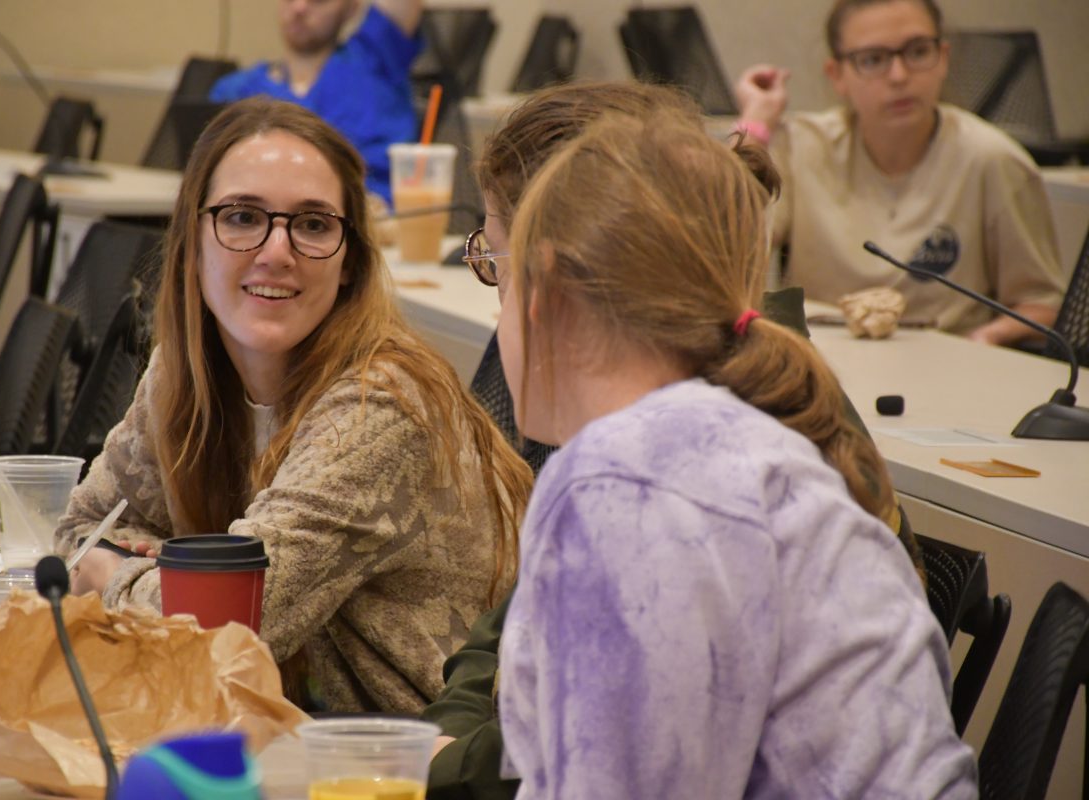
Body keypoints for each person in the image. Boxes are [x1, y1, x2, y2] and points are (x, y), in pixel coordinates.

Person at [424, 81, 924, 800]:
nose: (494, 303)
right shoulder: (689, 438)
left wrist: (428, 769)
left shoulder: (630, 484)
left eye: (497, 267)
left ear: (549, 282)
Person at [56, 97, 532, 715]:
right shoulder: (182, 372)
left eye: (312, 225)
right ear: (192, 243)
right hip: (278, 730)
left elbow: (222, 629)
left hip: (403, 751)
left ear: (350, 259)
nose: (277, 251)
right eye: (242, 217)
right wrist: (158, 579)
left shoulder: (379, 410)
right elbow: (81, 529)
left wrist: (111, 575)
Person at [735, 0, 1064, 346]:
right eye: (873, 60)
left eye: (918, 52)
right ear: (837, 75)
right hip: (821, 358)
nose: (899, 76)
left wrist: (986, 338)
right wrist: (754, 125)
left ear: (944, 58)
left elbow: (1040, 306)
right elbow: (729, 249)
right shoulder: (801, 147)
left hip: (948, 360)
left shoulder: (994, 160)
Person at [209, 0, 423, 204]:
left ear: (351, 7)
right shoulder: (235, 90)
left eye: (319, 0)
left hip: (379, 219)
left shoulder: (376, 59)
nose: (300, 7)